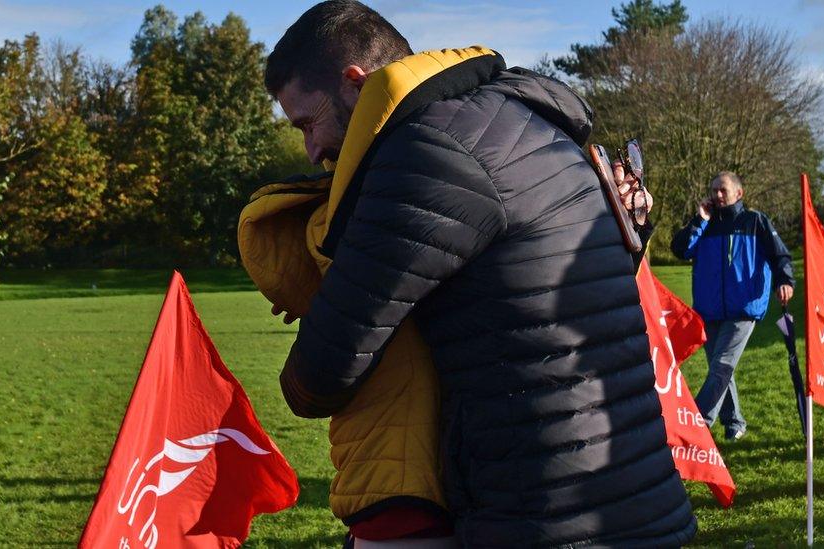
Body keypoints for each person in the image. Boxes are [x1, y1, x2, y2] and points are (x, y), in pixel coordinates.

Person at [263, 1, 696, 546]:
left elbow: (325, 372)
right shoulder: (525, 120)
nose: (312, 149)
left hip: (544, 515)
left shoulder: (426, 150)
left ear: (355, 83)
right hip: (637, 497)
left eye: (308, 121)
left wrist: (309, 290)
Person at [671, 172, 795, 441]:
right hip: (709, 310)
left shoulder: (754, 221)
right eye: (713, 189)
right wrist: (699, 219)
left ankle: (697, 424)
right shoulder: (705, 224)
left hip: (744, 307)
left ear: (739, 193)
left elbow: (780, 254)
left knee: (722, 365)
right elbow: (680, 249)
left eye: (722, 190)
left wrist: (785, 280)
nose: (716, 195)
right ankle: (735, 422)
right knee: (720, 367)